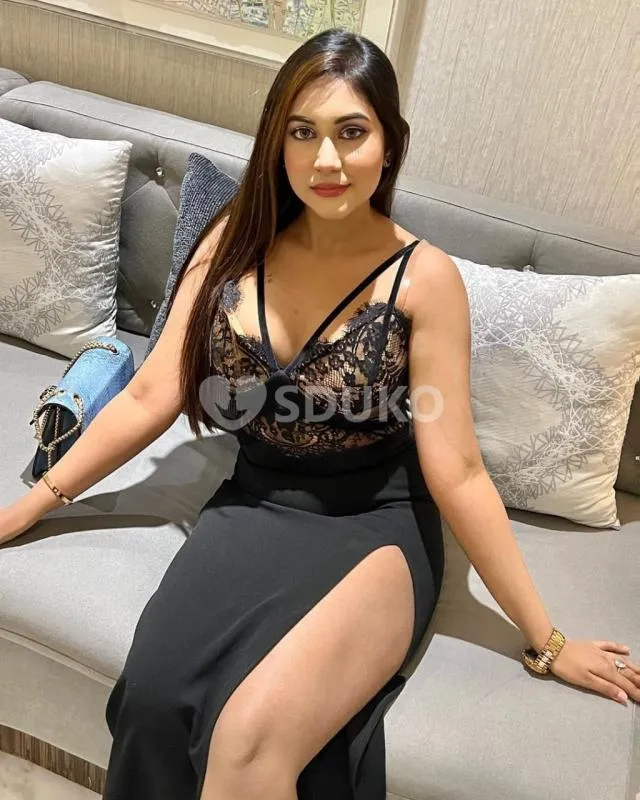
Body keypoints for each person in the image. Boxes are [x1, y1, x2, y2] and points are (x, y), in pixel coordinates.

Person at [1, 26, 638, 800]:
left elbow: (461, 472)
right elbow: (148, 394)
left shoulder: (423, 279)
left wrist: (548, 638)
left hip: (377, 525)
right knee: (152, 705)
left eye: (351, 132)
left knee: (248, 740)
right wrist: (31, 505)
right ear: (277, 140)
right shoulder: (233, 241)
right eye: (303, 132)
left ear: (390, 145)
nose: (326, 160)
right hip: (254, 504)